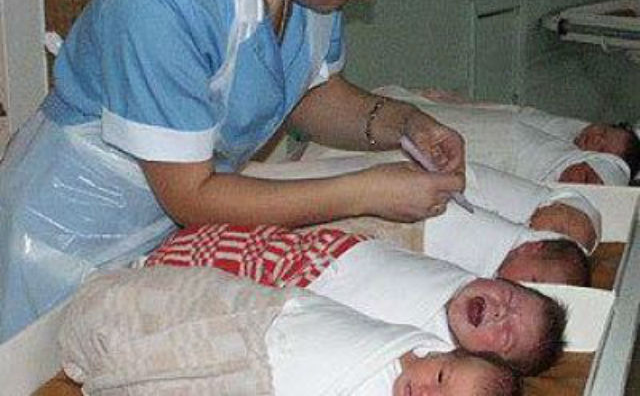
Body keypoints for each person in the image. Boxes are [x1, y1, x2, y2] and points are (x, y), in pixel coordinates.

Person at [0, 0, 468, 342]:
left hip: (160, 227)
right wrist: (365, 192)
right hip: (59, 237)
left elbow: (305, 94)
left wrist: (404, 123)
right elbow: (191, 197)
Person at [146, 226, 568, 375]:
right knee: (191, 244)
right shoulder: (466, 279)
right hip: (308, 251)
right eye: (510, 297)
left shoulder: (432, 353)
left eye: (506, 334)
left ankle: (143, 273)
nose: (501, 312)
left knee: (175, 291)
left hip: (290, 295)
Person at [58, 266, 522, 396]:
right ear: (437, 354)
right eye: (440, 379)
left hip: (254, 382)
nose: (426, 393)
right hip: (263, 320)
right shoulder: (402, 345)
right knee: (150, 306)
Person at [240, 155, 599, 284]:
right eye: (533, 279)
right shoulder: (501, 237)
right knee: (274, 203)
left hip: (388, 235)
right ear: (532, 248)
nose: (526, 288)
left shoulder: (493, 272)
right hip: (403, 217)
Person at [302, 85, 640, 185]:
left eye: (601, 147)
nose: (594, 137)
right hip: (482, 134)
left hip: (488, 150)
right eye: (602, 132)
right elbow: (509, 115)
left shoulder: (573, 165)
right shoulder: (555, 130)